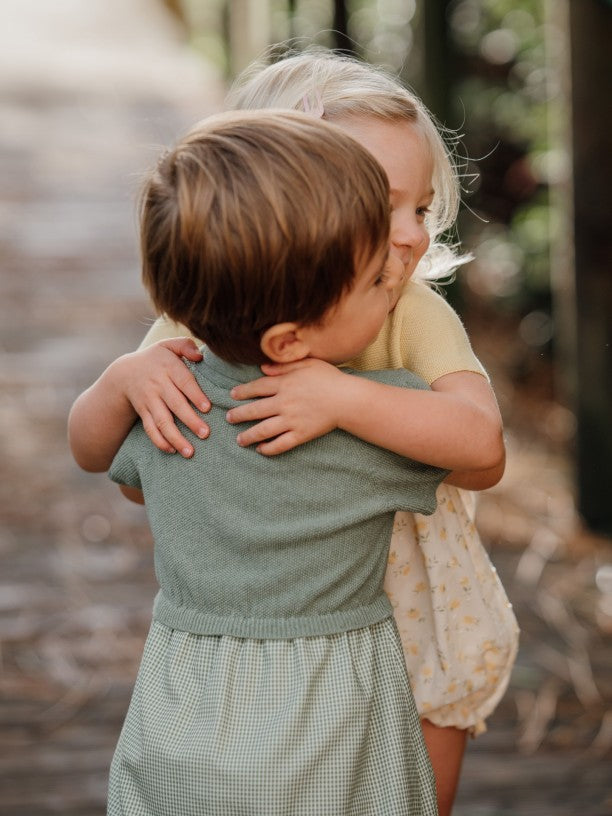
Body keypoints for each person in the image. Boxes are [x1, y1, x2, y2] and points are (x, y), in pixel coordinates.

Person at [68, 49, 519, 815]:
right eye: (382, 207)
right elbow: (103, 451)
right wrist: (124, 382)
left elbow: (480, 450)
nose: (408, 237)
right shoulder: (200, 317)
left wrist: (343, 398)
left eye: (421, 207)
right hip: (269, 599)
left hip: (410, 584)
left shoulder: (411, 311)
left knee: (415, 741)